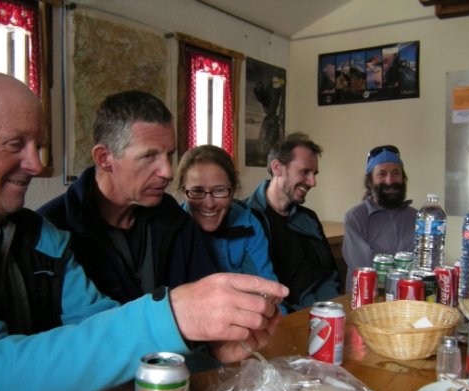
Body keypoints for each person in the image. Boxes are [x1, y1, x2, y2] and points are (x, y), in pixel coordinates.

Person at [0, 71, 288, 391]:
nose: (36, 164)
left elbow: (100, 326)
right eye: (15, 144)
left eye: (38, 145)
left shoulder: (41, 237)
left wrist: (202, 351)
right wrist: (174, 315)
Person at [38, 90, 217, 304]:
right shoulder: (52, 232)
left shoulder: (173, 218)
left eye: (169, 155)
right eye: (149, 156)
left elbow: (209, 296)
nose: (168, 172)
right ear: (104, 158)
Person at [245, 132, 340, 312]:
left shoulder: (309, 218)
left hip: (320, 315)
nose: (313, 182)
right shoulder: (247, 218)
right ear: (277, 168)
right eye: (305, 172)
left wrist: (330, 309)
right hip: (278, 320)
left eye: (314, 174)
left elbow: (329, 273)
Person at [174, 144, 281, 286]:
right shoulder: (172, 231)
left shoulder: (249, 224)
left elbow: (267, 286)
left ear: (233, 190)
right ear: (183, 191)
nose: (209, 204)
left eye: (219, 190)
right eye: (197, 191)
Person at [341, 145, 416, 292]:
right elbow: (364, 268)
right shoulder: (355, 218)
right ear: (370, 182)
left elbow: (420, 267)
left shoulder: (417, 218)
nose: (390, 181)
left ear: (404, 178)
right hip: (366, 302)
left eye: (396, 173)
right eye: (381, 174)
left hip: (407, 301)